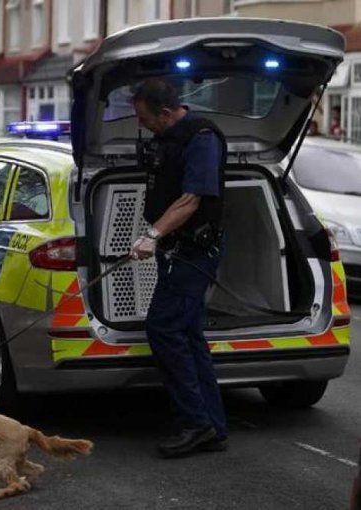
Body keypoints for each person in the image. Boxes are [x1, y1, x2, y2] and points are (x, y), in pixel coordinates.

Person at [129, 79, 228, 459]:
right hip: (177, 250)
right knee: (187, 333)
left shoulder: (201, 138)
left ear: (166, 113)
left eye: (144, 118)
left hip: (192, 252)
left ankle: (195, 423)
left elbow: (191, 201)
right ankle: (210, 424)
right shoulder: (171, 138)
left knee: (165, 327)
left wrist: (151, 234)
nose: (142, 125)